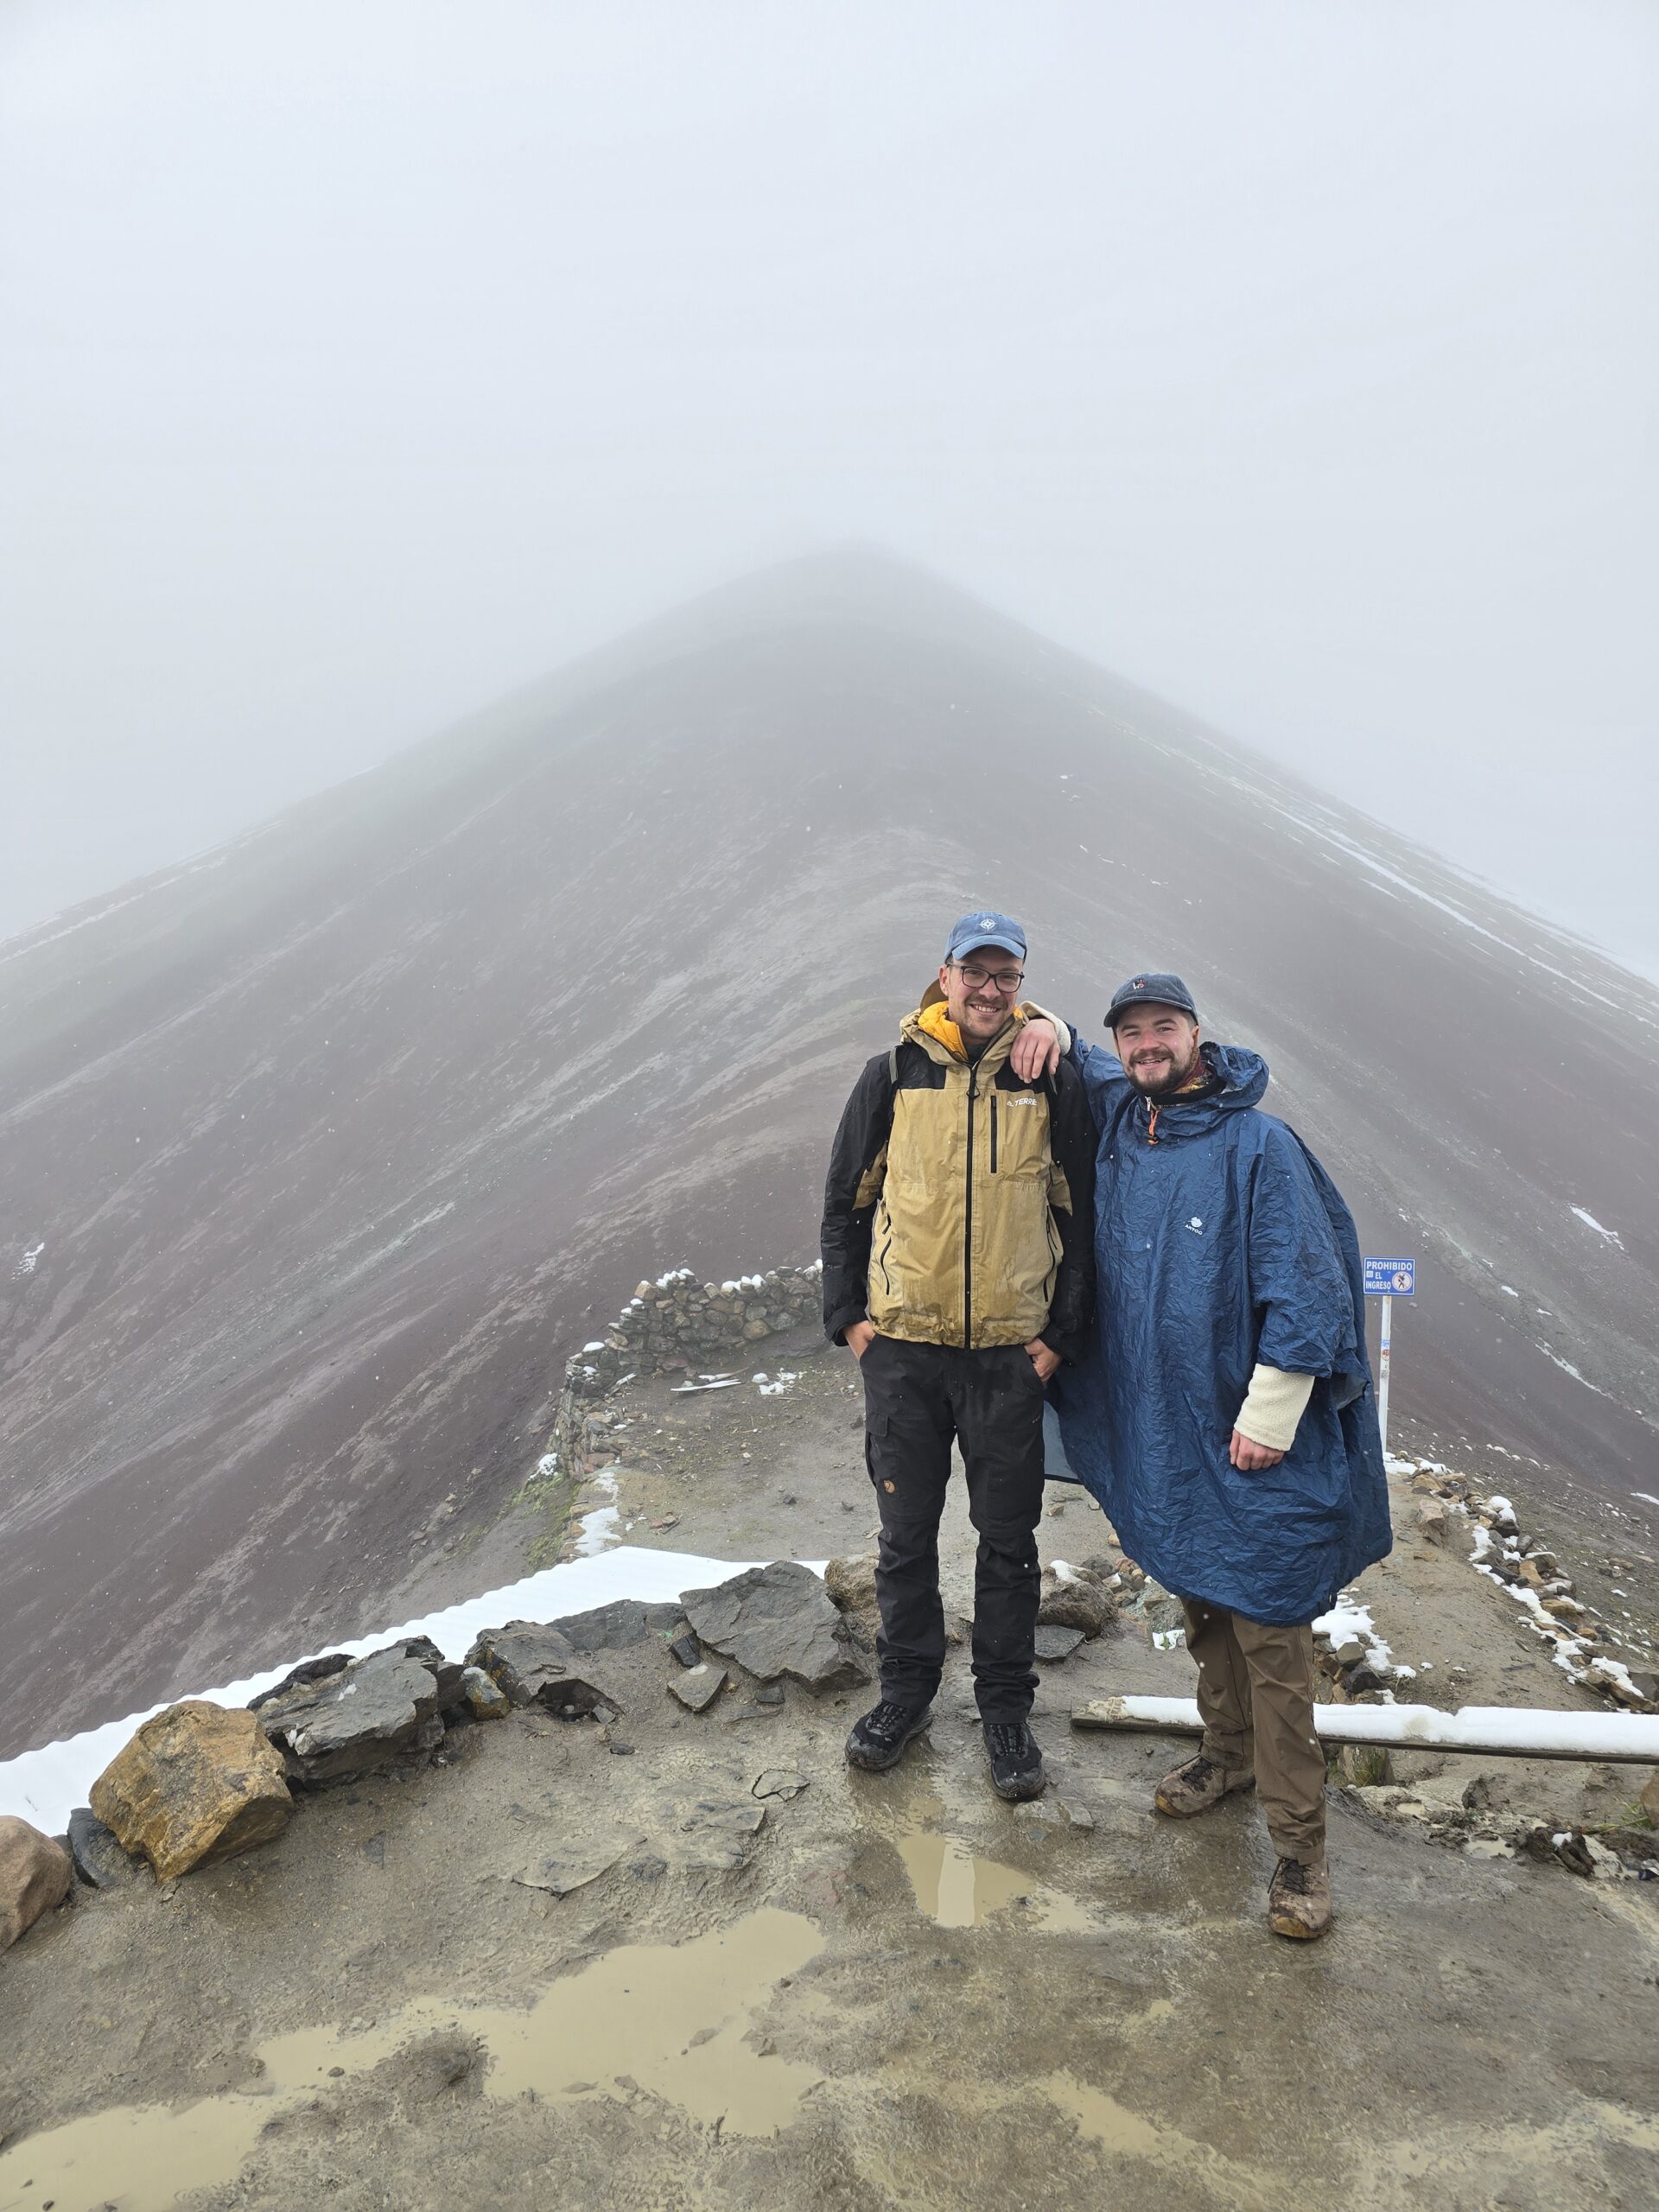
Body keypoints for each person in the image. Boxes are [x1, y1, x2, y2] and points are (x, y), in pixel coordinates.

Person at [1012, 974, 1390, 1938]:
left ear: (1196, 1034)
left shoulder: (1258, 1145)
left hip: (1251, 1438)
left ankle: (1300, 1850)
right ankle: (1226, 1757)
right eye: (1132, 1032)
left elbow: (1307, 1287)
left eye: (1164, 1028)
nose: (1147, 1045)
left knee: (1271, 1633)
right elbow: (1079, 1058)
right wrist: (1045, 1019)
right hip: (1169, 1435)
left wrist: (1271, 1414)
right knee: (1204, 1600)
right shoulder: (1126, 1119)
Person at [820, 912, 1096, 1800]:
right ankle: (904, 1694)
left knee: (1008, 1542)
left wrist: (1058, 1339)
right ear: (944, 977)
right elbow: (845, 1200)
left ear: (1020, 984)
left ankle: (1006, 1710)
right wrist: (850, 1321)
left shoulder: (1047, 1078)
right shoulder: (893, 1074)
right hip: (904, 1352)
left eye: (1005, 976)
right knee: (905, 1538)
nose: (988, 990)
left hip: (1008, 1358)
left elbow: (1081, 1212)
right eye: (974, 972)